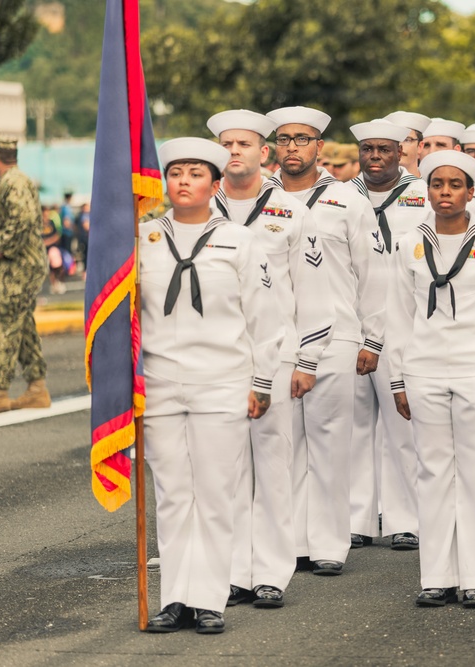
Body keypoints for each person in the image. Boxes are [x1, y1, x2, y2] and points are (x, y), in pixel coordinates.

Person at [141, 137, 282, 634]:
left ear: (215, 184)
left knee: (217, 492)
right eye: (176, 172)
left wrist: (261, 382)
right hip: (159, 382)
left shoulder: (241, 241)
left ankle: (210, 599)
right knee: (174, 493)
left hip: (222, 381)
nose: (183, 181)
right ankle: (175, 596)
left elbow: (265, 316)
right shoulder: (143, 240)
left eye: (195, 173)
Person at [385, 150, 475, 608]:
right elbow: (398, 315)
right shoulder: (409, 243)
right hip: (423, 367)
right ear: (428, 190)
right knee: (432, 471)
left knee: (474, 472)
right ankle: (436, 577)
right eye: (437, 184)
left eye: (455, 185)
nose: (445, 193)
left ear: (471, 191)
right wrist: (397, 379)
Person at [207, 109, 333, 609]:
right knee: (227, 469)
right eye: (226, 145)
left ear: (265, 153)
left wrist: (308, 358)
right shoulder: (202, 209)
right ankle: (235, 571)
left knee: (274, 465)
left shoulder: (291, 212)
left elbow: (313, 290)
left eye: (244, 144)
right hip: (217, 358)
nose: (234, 152)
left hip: (276, 357)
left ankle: (272, 574)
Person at [266, 106, 383, 575]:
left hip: (336, 336)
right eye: (285, 138)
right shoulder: (261, 198)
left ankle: (330, 544)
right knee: (283, 444)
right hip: (277, 338)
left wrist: (371, 339)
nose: (292, 146)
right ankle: (291, 541)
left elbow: (371, 273)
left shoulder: (347, 200)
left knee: (330, 444)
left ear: (319, 146)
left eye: (302, 138)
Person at [348, 119, 432, 552]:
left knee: (403, 428)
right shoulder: (343, 197)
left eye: (384, 149)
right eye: (367, 149)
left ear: (401, 152)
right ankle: (358, 518)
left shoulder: (424, 196)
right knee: (356, 427)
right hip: (350, 325)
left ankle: (406, 519)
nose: (375, 157)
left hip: (403, 326)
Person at [0, 135, 50, 414]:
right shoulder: (13, 182)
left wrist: (0, 248)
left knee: (3, 321)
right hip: (19, 263)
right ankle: (37, 388)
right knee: (21, 322)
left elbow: (22, 218)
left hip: (18, 264)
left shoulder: (14, 182)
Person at [385, 111, 432, 178]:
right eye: (394, 140)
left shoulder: (430, 185)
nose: (399, 146)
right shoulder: (370, 186)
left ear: (420, 147)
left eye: (407, 140)